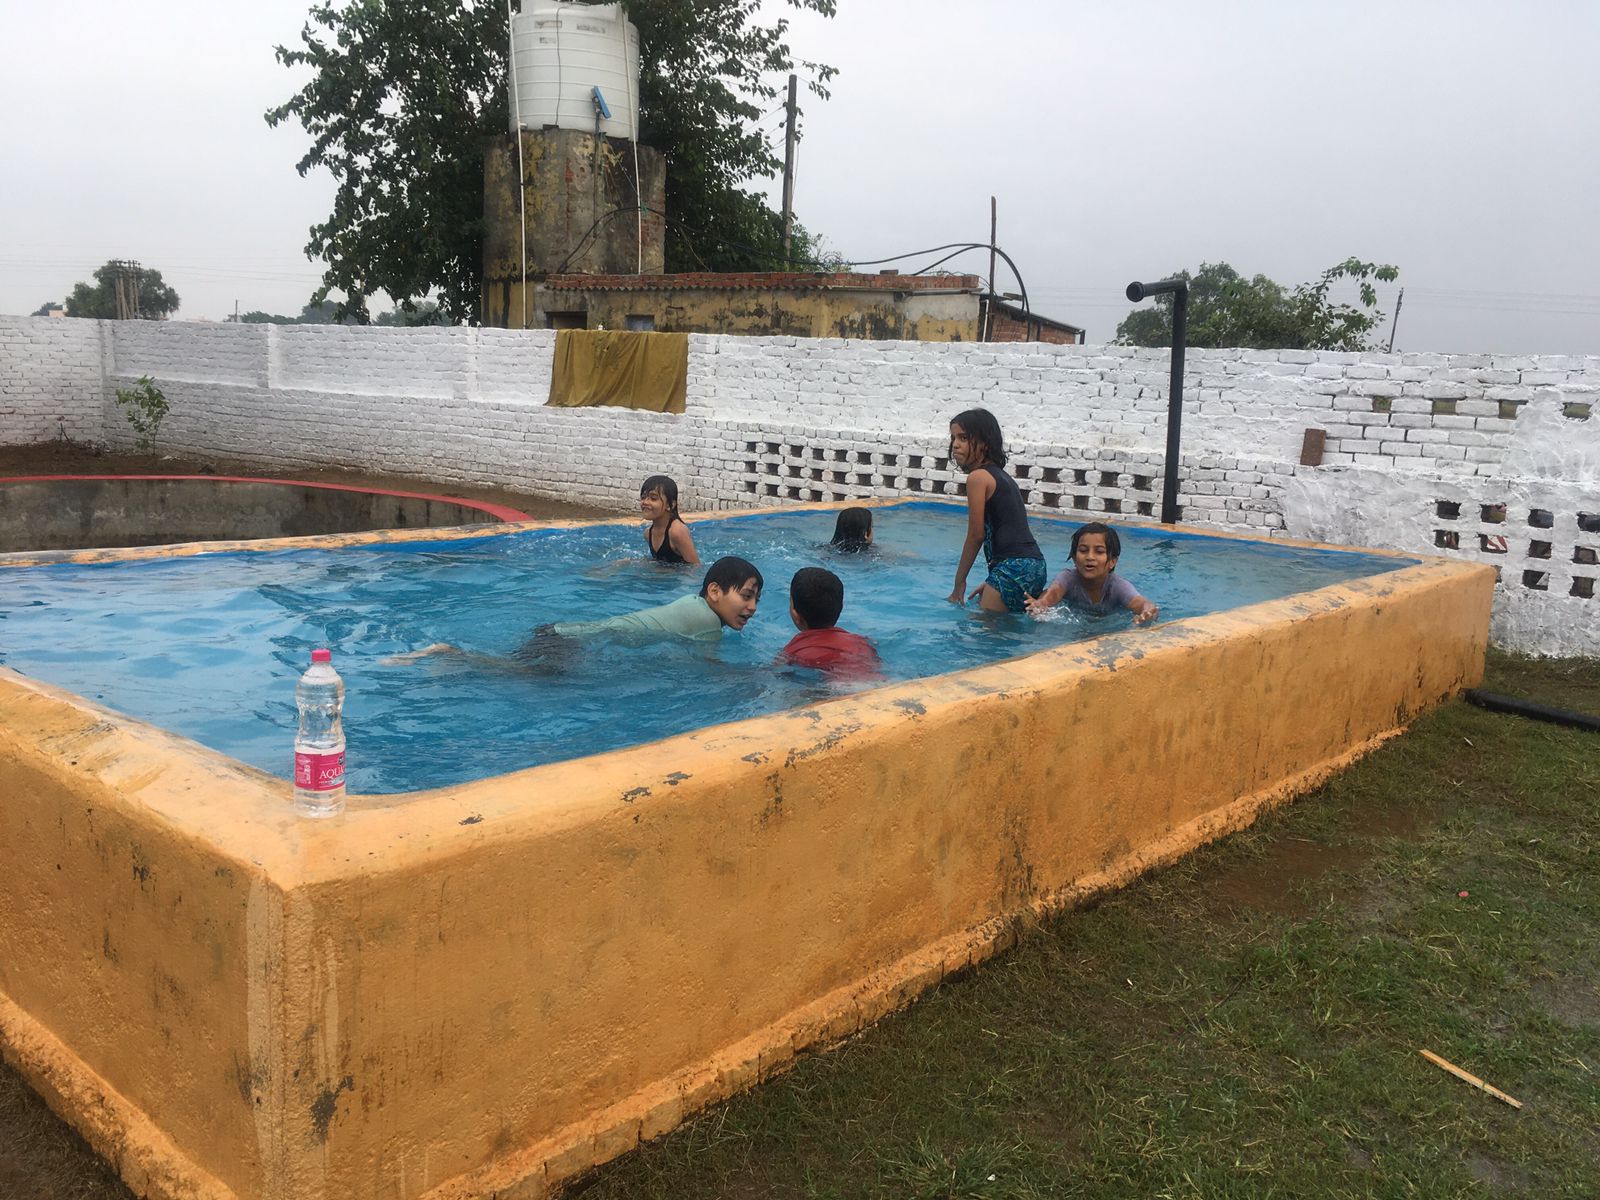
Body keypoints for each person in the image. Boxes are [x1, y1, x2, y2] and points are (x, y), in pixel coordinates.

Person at [388, 557, 761, 668]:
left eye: (756, 600)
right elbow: (708, 670)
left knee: (515, 668)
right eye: (746, 596)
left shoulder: (693, 605)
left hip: (566, 630)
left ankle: (452, 657)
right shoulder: (707, 625)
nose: (752, 608)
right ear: (714, 592)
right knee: (519, 675)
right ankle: (450, 655)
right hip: (569, 641)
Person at [945, 408, 1046, 613]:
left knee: (986, 638)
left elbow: (976, 535)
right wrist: (994, 580)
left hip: (1011, 567)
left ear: (985, 442)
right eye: (953, 438)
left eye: (963, 438)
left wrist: (959, 583)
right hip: (1034, 566)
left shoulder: (978, 478)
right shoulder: (1002, 477)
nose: (955, 444)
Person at [1024, 522, 1159, 623]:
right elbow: (1053, 592)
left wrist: (1147, 612)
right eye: (1083, 550)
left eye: (1099, 552)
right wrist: (1042, 603)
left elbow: (1141, 603)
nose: (1090, 557)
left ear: (1112, 561)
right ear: (1074, 558)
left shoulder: (1117, 586)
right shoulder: (1068, 578)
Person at [776, 567, 882, 678]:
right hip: (884, 686)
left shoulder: (791, 652)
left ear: (794, 613)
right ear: (841, 608)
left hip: (835, 690)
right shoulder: (862, 643)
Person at [639, 474, 699, 566]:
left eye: (653, 498)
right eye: (643, 497)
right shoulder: (648, 534)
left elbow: (695, 567)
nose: (645, 502)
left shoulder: (677, 532)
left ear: (670, 505)